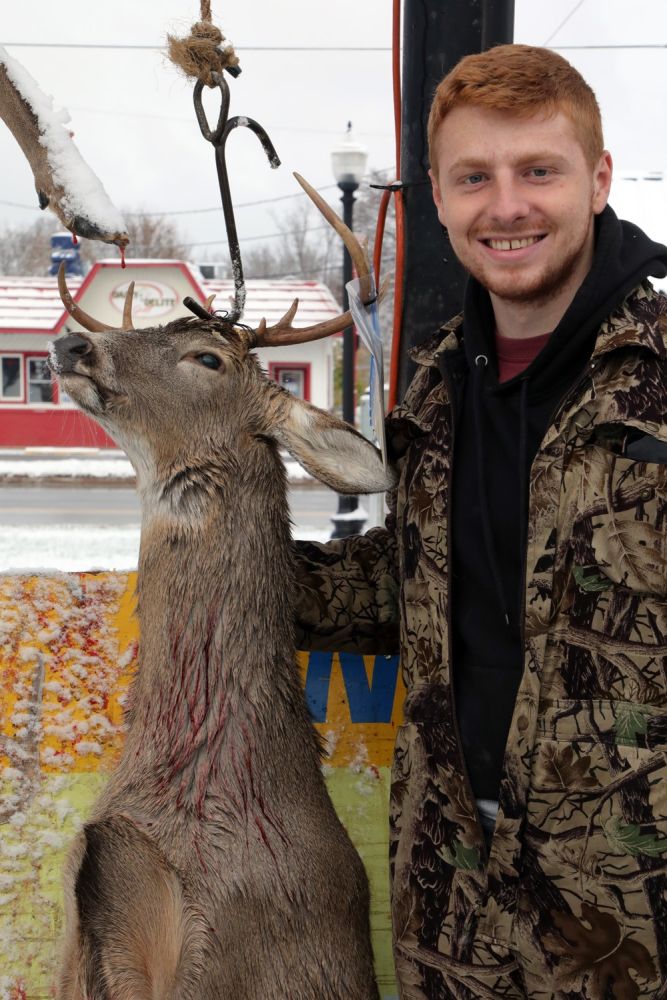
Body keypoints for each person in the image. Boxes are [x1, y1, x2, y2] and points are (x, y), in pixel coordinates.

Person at [294, 43, 667, 999]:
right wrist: (222, 552)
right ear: (437, 196)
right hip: (453, 892)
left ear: (597, 180)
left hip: (634, 907)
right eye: (473, 178)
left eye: (537, 171)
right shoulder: (435, 383)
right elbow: (413, 585)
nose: (505, 206)